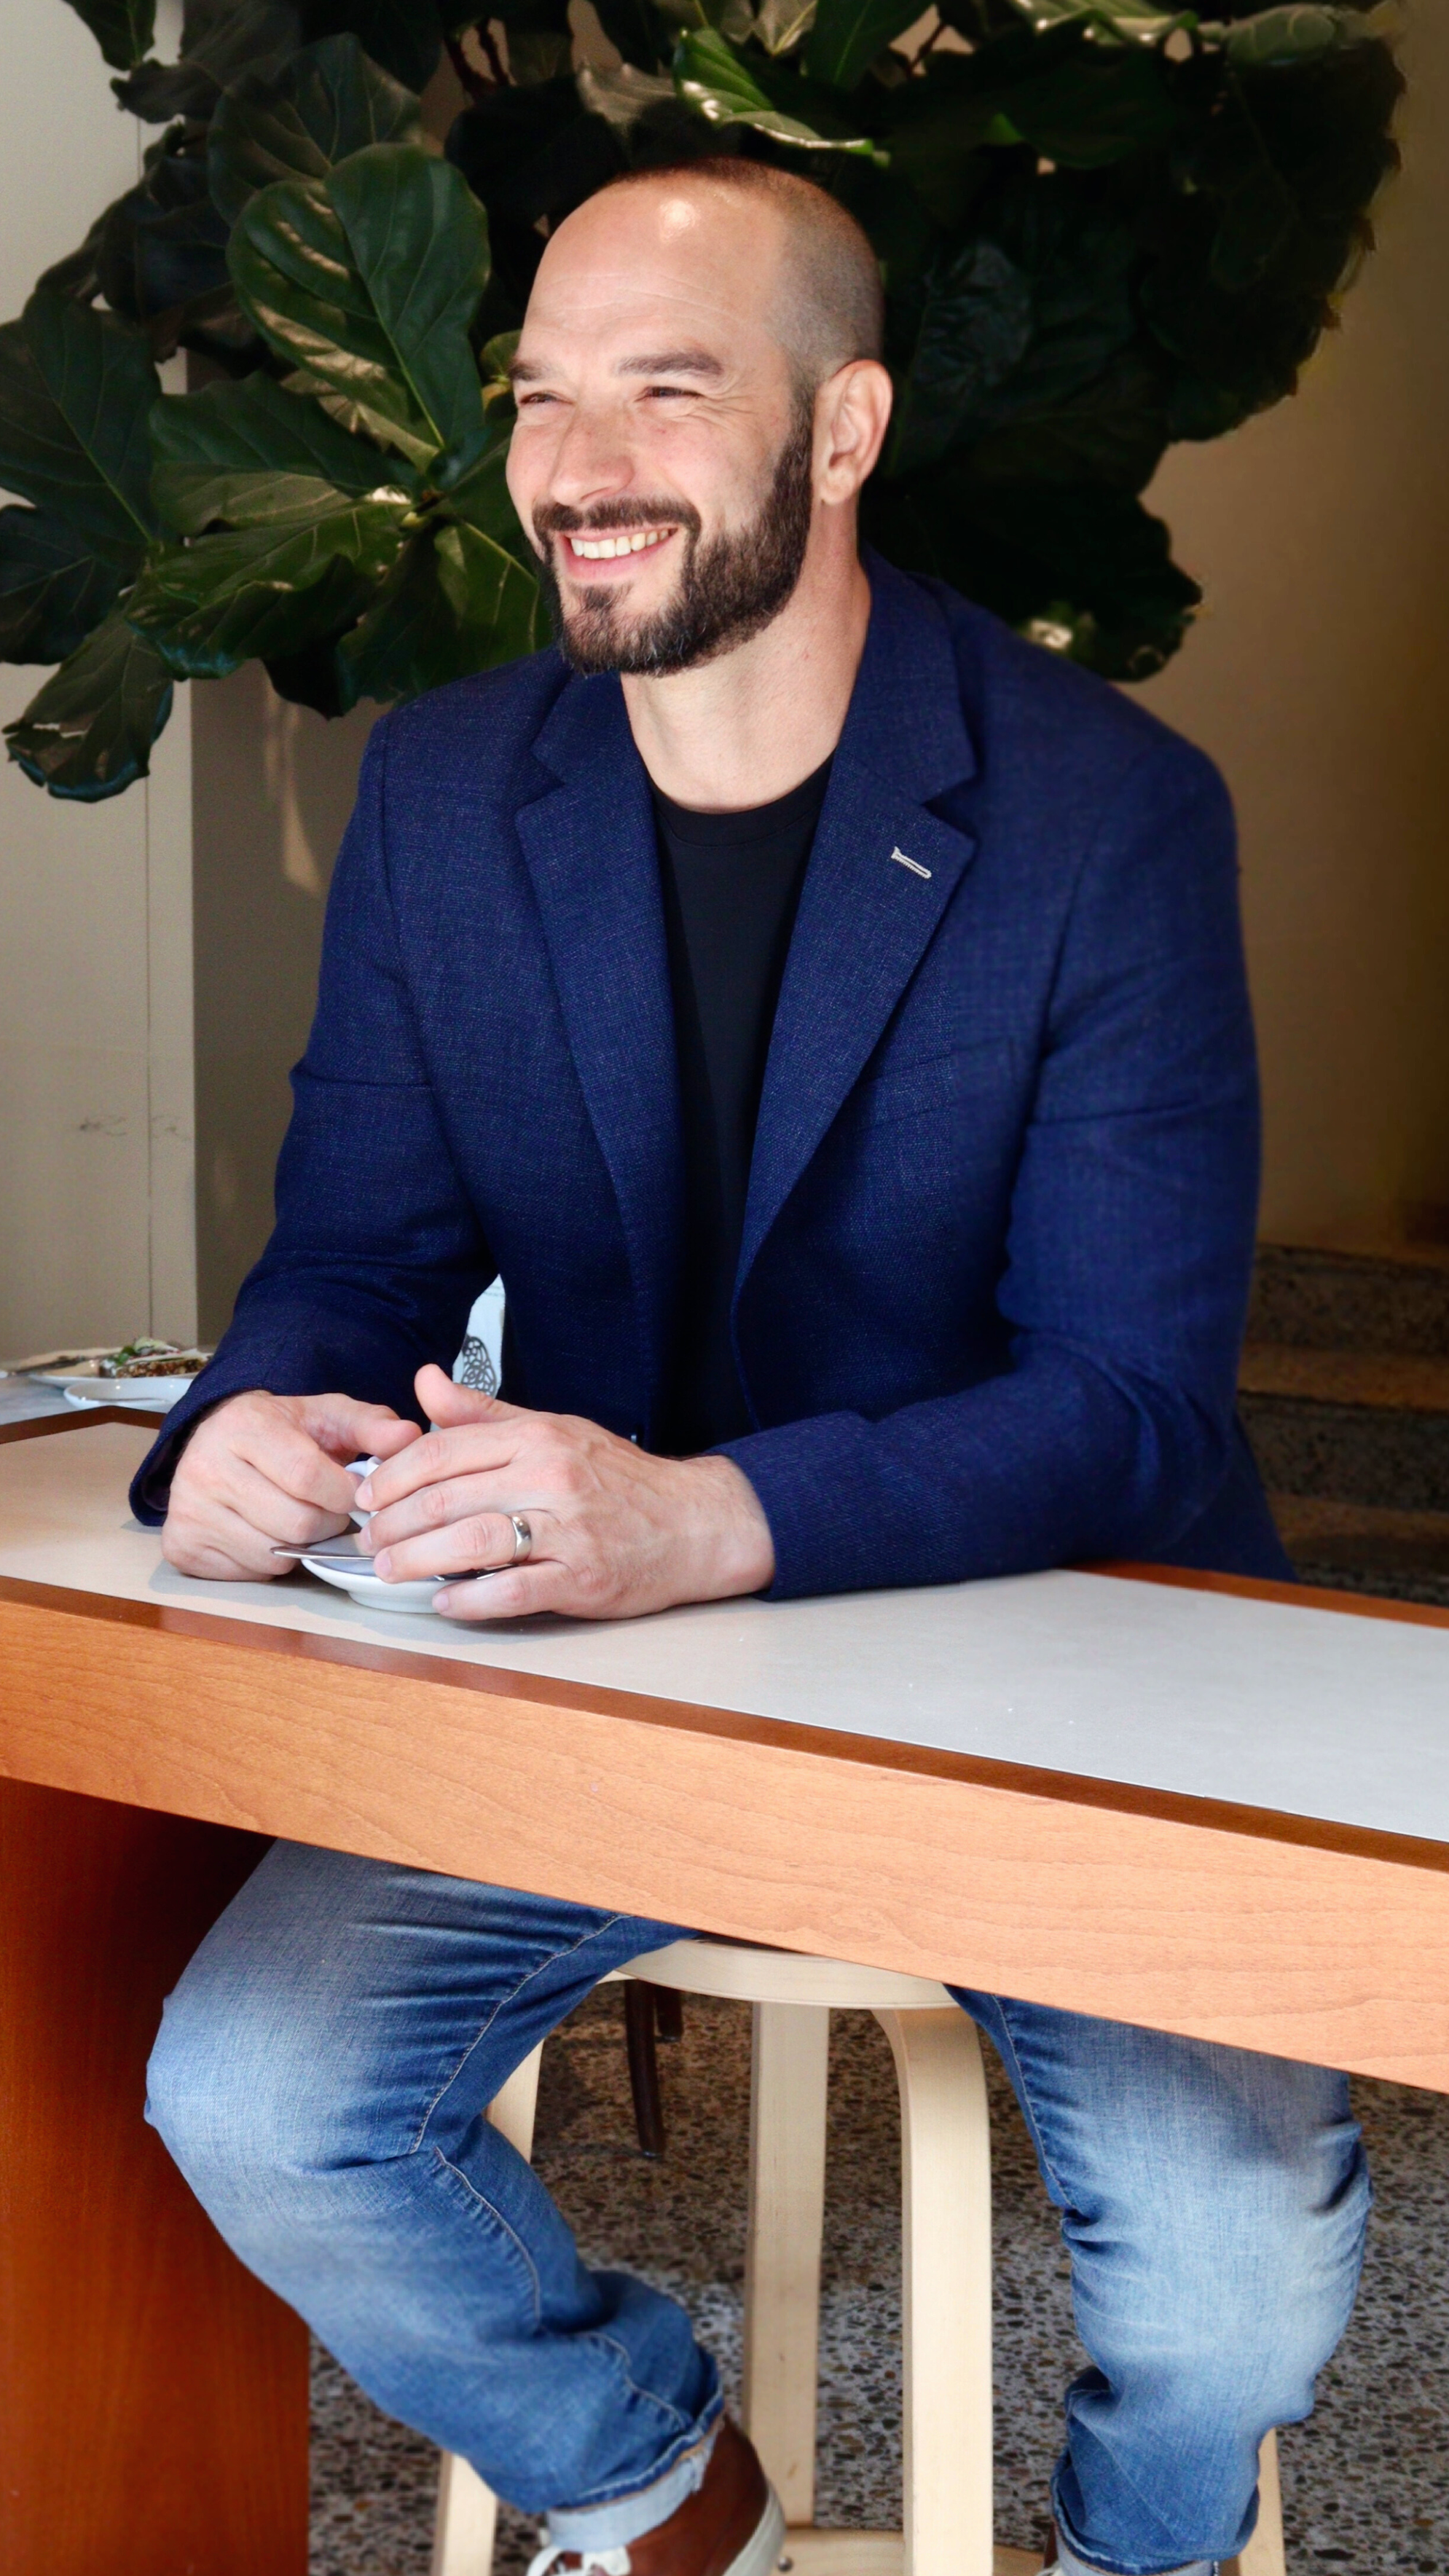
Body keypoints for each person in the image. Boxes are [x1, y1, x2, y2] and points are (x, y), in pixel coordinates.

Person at [136, 158, 1367, 2576]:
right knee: (253, 2089)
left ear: (840, 430)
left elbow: (1132, 1397)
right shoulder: (449, 791)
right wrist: (240, 1432)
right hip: (598, 1684)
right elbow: (354, 1256)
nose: (578, 463)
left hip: (1057, 1655)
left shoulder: (1103, 814)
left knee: (1231, 2280)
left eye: (666, 388)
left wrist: (705, 1514)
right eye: (541, 395)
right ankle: (660, 2499)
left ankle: (1142, 2554)